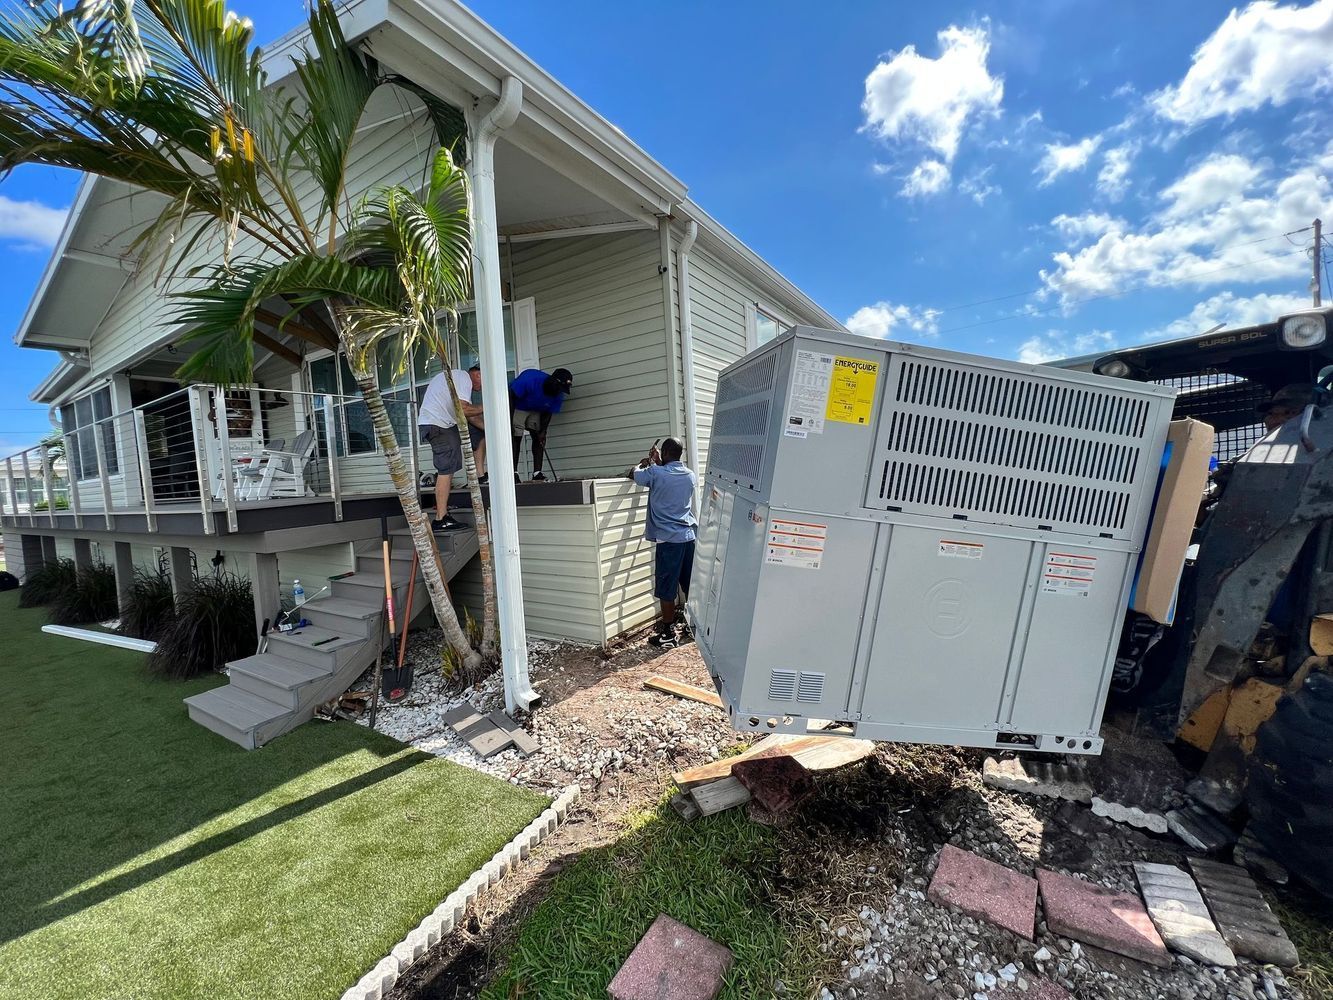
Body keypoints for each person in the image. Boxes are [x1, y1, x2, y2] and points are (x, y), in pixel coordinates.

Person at [628, 436, 697, 648]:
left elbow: (634, 474)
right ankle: (693, 627)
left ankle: (668, 634)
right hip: (689, 537)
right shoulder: (690, 475)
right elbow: (669, 475)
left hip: (669, 541)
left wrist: (646, 462)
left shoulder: (656, 473)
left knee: (666, 588)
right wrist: (659, 462)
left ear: (664, 453)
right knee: (689, 585)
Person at [418, 365, 484, 531]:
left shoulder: (457, 378)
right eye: (483, 382)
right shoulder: (463, 378)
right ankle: (441, 518)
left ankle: (480, 475)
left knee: (476, 434)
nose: (481, 388)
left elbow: (471, 417)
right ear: (477, 374)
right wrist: (488, 406)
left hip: (441, 424)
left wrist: (489, 429)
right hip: (437, 424)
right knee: (446, 470)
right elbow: (463, 409)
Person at [508, 367, 573, 481]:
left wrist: (543, 431)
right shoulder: (530, 379)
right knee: (516, 436)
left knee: (539, 438)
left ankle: (537, 473)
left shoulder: (558, 395)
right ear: (553, 381)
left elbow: (548, 412)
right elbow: (511, 396)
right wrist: (509, 420)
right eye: (559, 387)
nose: (559, 391)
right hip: (518, 405)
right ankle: (513, 472)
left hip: (536, 408)